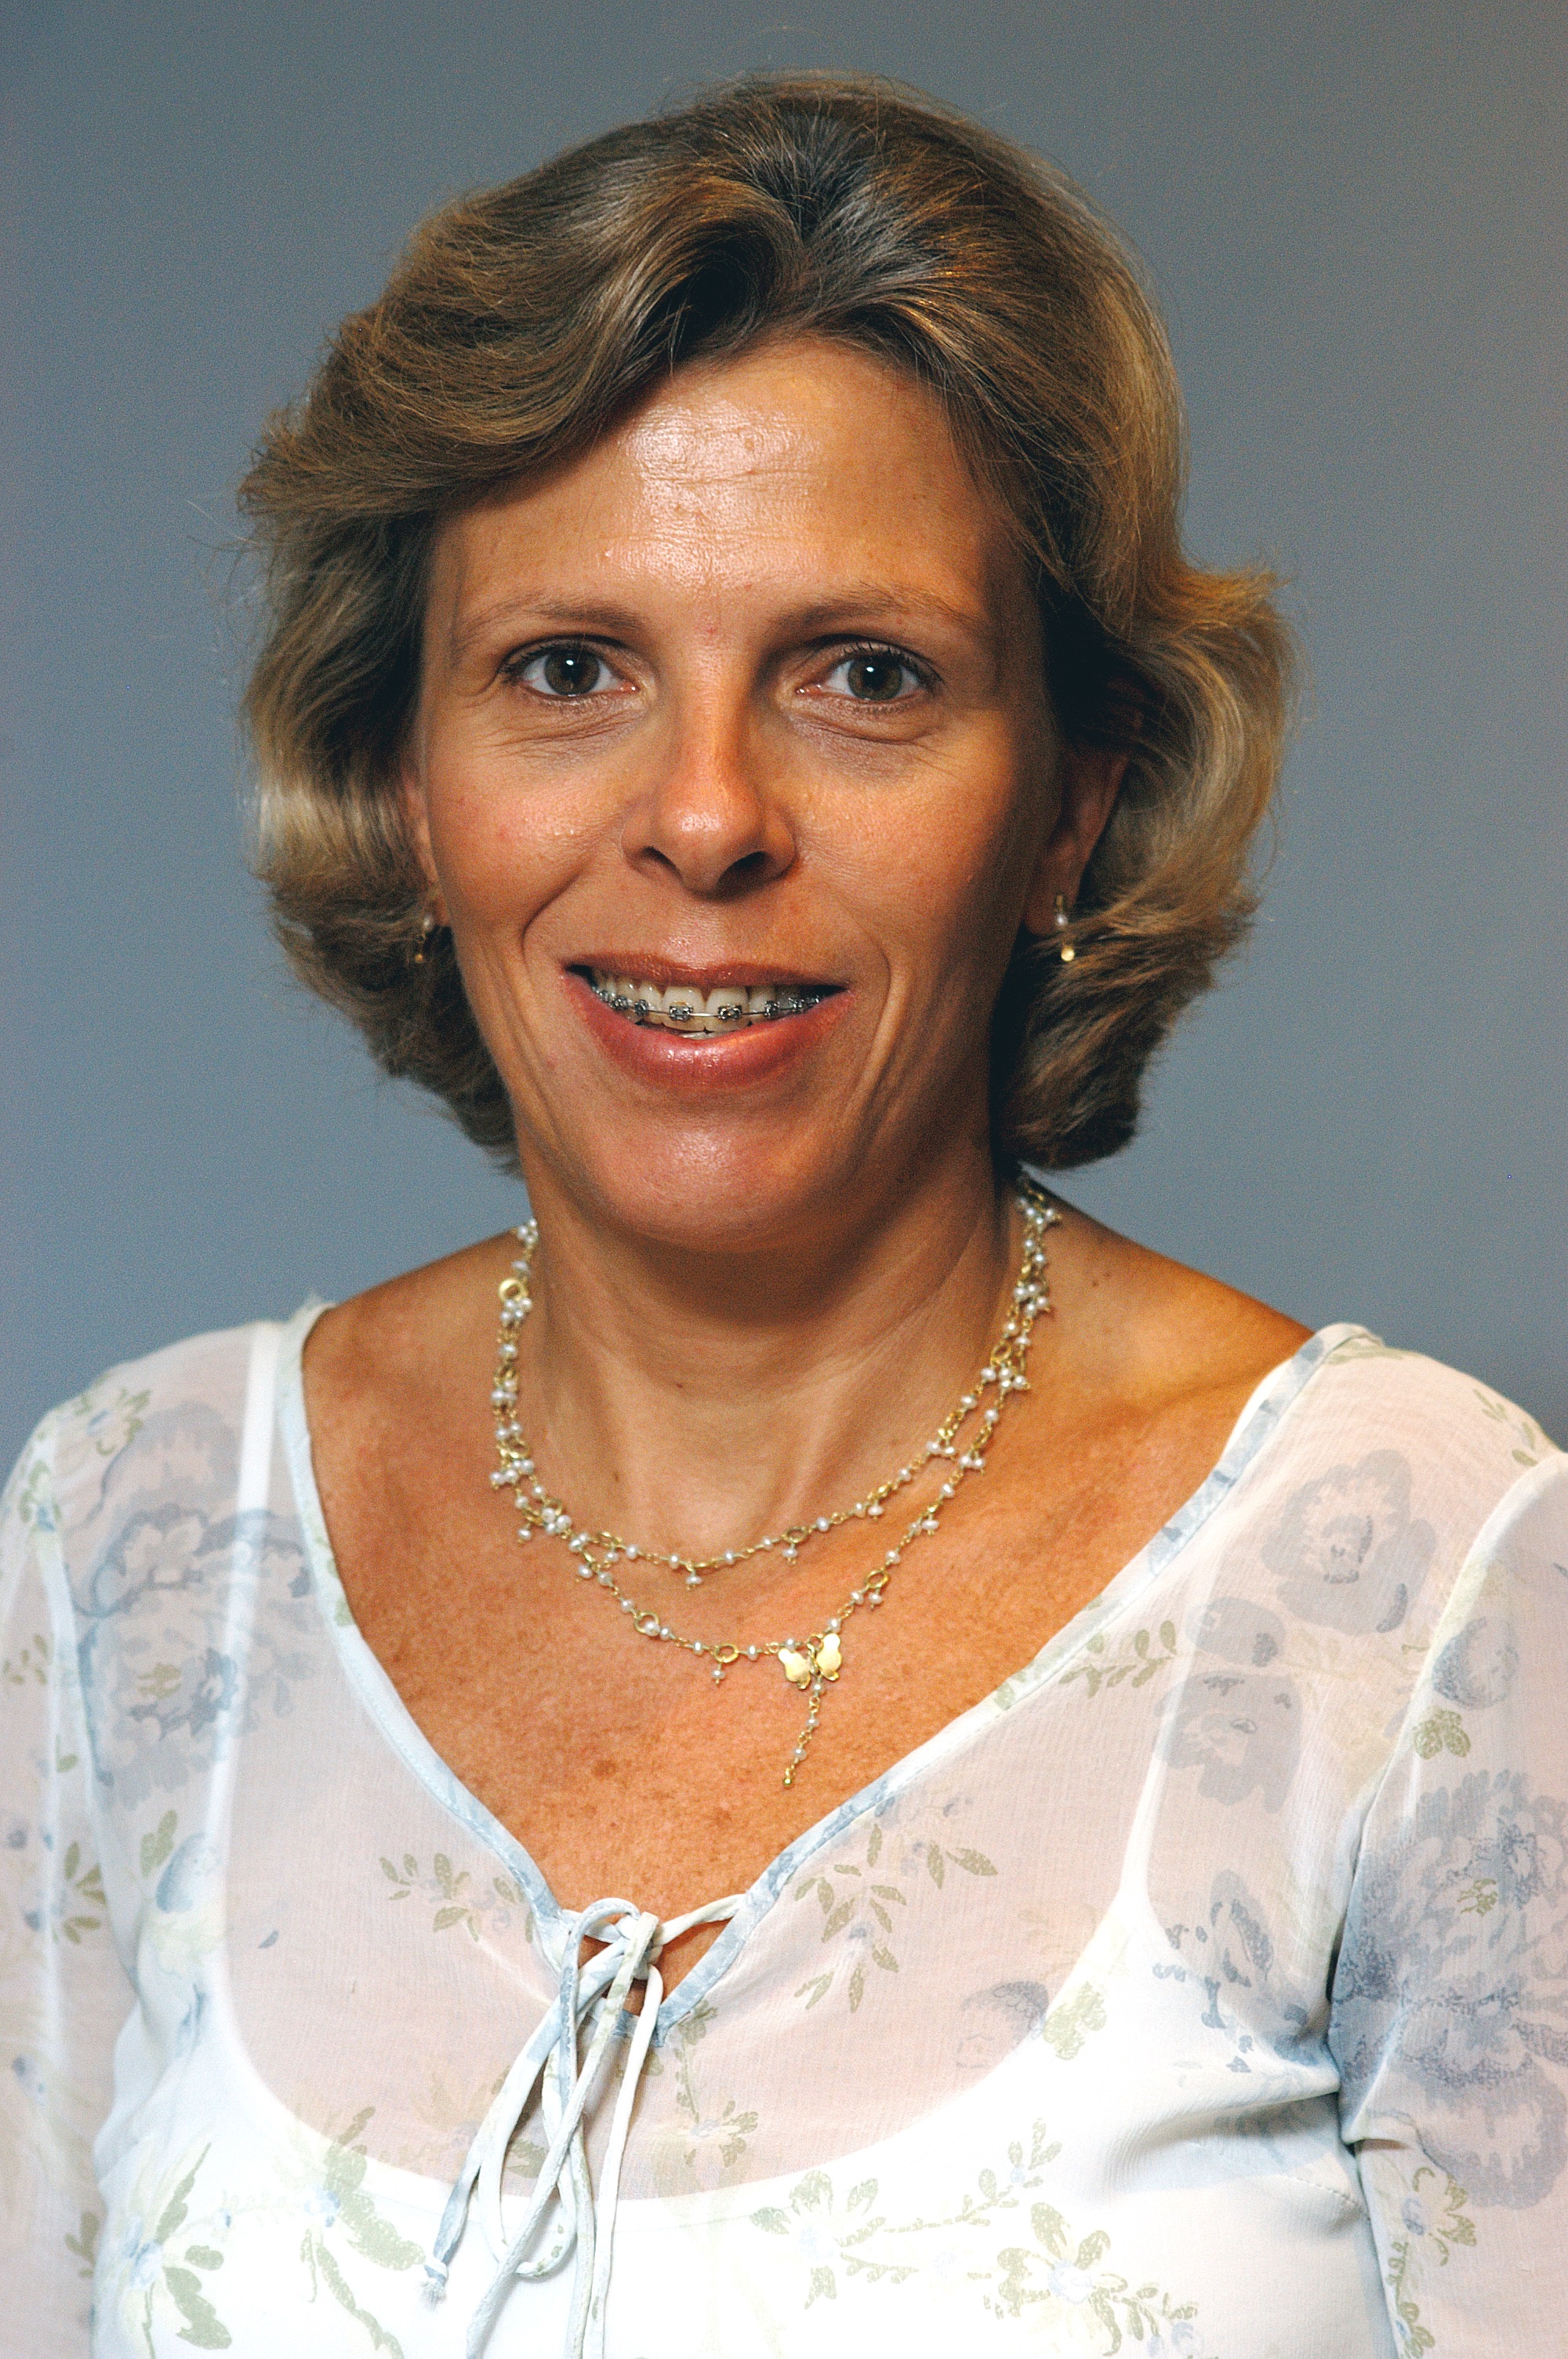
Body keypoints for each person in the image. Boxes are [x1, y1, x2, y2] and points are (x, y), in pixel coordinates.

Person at [4, 72, 1563, 2359]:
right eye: (569, 671)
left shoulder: (1426, 1588)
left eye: (865, 677)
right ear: (407, 784)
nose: (708, 816)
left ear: (1068, 806)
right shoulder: (132, 1542)